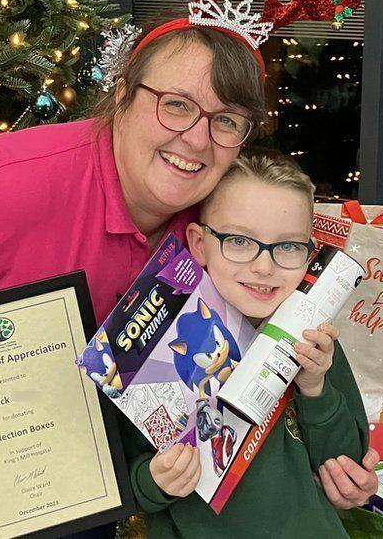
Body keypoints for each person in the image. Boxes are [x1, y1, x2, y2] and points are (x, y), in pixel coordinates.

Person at [0, 3, 380, 538]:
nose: (197, 138)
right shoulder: (7, 186)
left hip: (79, 465)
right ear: (123, 95)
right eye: (176, 104)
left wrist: (342, 448)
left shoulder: (215, 212)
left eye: (227, 120)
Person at [123, 152, 368, 537]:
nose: (264, 267)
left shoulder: (313, 342)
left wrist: (316, 388)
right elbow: (125, 481)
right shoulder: (152, 348)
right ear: (200, 244)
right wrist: (155, 481)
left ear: (310, 252)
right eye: (239, 241)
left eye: (287, 246)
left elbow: (346, 464)